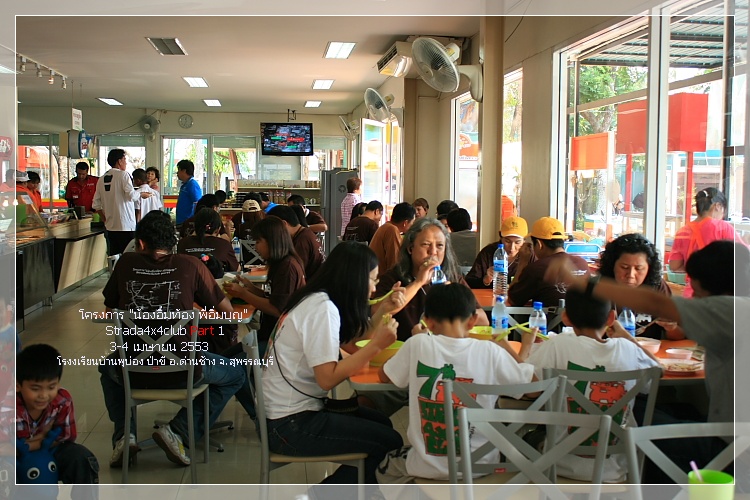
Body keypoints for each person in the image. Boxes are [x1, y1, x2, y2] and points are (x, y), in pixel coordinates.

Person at [545, 240, 749, 482]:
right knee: (659, 411)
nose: (694, 299)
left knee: (634, 422)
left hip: (735, 450)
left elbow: (656, 303)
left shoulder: (734, 310)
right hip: (732, 439)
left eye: (697, 293)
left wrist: (581, 282)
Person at [98, 211, 245, 468]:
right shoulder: (191, 265)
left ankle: (124, 436)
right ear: (173, 242)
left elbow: (110, 311)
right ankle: (179, 431)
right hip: (185, 369)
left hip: (132, 370)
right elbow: (227, 311)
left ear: (140, 243)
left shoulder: (125, 264)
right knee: (236, 374)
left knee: (106, 368)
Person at [262, 242, 405, 485]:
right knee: (389, 443)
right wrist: (376, 346)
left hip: (283, 415)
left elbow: (352, 343)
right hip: (288, 425)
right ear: (354, 278)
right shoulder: (322, 309)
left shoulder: (315, 299)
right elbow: (327, 379)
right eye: (372, 280)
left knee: (380, 423)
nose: (373, 289)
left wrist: (384, 309)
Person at [376, 284, 534, 483]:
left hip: (427, 467)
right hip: (482, 466)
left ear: (428, 322)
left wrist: (416, 339)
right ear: (473, 321)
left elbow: (385, 376)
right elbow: (533, 389)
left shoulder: (417, 344)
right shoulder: (490, 351)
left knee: (386, 467)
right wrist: (518, 347)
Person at [518, 288, 660, 483]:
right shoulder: (628, 349)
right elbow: (658, 372)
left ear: (565, 318)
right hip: (615, 471)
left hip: (560, 465)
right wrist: (627, 336)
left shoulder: (558, 345)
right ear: (611, 318)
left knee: (528, 438)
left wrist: (526, 346)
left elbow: (529, 391)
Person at [374, 217, 489, 343]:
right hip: (403, 348)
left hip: (444, 349)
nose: (433, 252)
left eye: (440, 246)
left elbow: (483, 320)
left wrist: (453, 302)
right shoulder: (393, 278)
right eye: (426, 244)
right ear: (410, 248)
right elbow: (375, 314)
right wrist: (418, 282)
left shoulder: (452, 278)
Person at [16, 344, 99, 497]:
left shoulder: (62, 400)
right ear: (18, 385)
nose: (43, 395)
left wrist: (32, 444)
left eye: (51, 387)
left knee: (81, 457)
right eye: (35, 389)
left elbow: (65, 437)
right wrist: (42, 437)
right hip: (13, 456)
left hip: (50, 448)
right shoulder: (8, 406)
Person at [223, 216, 306, 355]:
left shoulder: (287, 267)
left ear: (272, 241)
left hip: (281, 343)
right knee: (226, 355)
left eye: (258, 241)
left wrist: (243, 294)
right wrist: (251, 288)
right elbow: (275, 298)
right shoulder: (281, 263)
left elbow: (277, 309)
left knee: (228, 361)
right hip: (272, 334)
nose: (255, 247)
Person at [599, 233, 681, 340]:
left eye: (638, 268)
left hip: (648, 349)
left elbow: (679, 336)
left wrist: (671, 328)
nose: (631, 275)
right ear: (612, 265)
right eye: (624, 267)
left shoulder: (657, 287)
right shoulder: (598, 288)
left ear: (649, 269)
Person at [669, 187, 744, 297]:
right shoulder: (723, 227)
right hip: (718, 294)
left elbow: (674, 266)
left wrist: (698, 269)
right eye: (723, 211)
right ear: (717, 206)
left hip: (692, 293)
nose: (722, 216)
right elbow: (743, 258)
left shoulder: (683, 231)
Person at [507, 216, 588, 307]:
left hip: (546, 316)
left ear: (539, 244)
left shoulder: (536, 269)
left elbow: (513, 301)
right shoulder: (582, 263)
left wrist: (523, 263)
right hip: (580, 316)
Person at [92, 149, 152, 256]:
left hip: (110, 226)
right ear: (119, 161)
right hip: (126, 225)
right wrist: (141, 194)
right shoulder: (123, 175)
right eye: (124, 159)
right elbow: (131, 196)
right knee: (129, 257)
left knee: (114, 256)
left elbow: (96, 204)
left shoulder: (101, 179)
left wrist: (105, 219)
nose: (126, 162)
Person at [465, 216, 531, 289]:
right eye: (507, 241)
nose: (512, 248)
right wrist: (486, 280)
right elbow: (469, 282)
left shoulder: (529, 255)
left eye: (517, 242)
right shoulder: (488, 252)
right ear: (501, 237)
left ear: (524, 240)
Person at [268, 205, 325, 279]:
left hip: (312, 283)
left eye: (272, 228)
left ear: (284, 224)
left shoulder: (302, 240)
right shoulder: (306, 233)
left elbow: (294, 272)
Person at [177, 208, 240, 273]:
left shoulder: (183, 243)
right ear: (218, 229)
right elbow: (236, 269)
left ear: (195, 227)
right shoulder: (224, 244)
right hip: (215, 279)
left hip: (188, 278)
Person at [370, 202, 416, 278]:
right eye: (412, 222)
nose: (413, 226)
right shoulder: (392, 230)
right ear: (405, 223)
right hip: (381, 280)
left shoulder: (386, 226)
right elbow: (395, 264)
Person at [175, 159, 202, 225]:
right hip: (181, 221)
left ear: (184, 171)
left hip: (188, 222)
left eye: (179, 170)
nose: (177, 173)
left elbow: (198, 203)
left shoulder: (192, 184)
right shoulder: (185, 184)